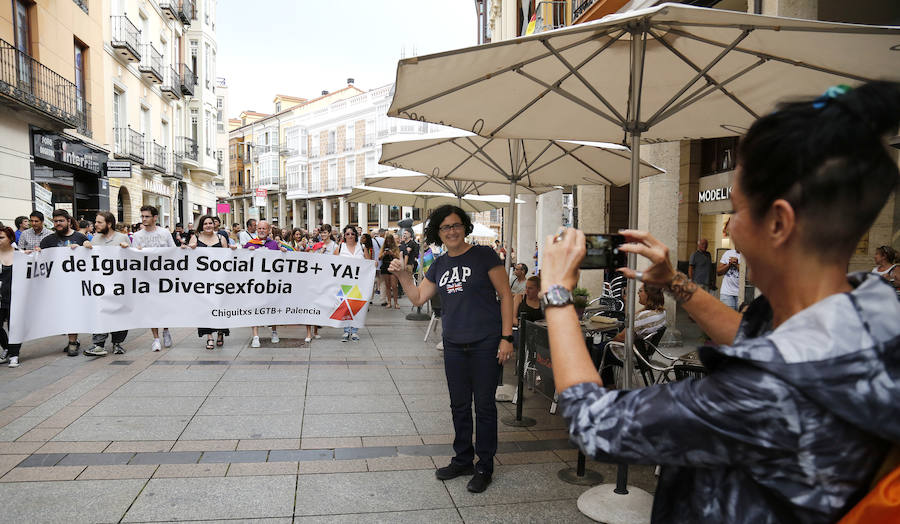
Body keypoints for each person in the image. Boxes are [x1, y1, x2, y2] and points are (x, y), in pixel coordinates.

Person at [540, 82, 900, 523]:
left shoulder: (768, 392)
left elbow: (593, 423)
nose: (730, 224)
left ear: (779, 222)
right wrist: (673, 281)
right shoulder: (875, 319)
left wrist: (556, 292)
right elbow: (756, 340)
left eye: (736, 209)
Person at [389, 204, 514, 493]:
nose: (452, 231)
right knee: (458, 405)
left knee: (483, 406)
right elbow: (419, 298)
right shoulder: (440, 264)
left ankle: (484, 465)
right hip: (454, 344)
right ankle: (462, 459)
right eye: (445, 227)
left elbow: (506, 295)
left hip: (486, 342)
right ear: (439, 233)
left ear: (465, 227)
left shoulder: (484, 255)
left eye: (456, 225)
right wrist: (404, 276)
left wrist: (507, 337)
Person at [37, 209, 89, 356]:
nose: (58, 224)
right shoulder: (48, 240)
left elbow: (91, 256)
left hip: (75, 284)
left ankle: (73, 342)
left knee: (72, 311)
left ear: (68, 221)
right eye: (55, 221)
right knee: (62, 313)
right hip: (56, 285)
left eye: (61, 221)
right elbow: (40, 259)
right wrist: (35, 253)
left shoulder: (80, 237)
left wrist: (83, 248)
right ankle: (73, 339)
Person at [83, 212, 131, 356]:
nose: (95, 225)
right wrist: (84, 246)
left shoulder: (122, 238)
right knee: (99, 312)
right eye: (96, 222)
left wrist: (126, 248)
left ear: (109, 224)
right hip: (100, 285)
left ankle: (118, 343)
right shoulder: (95, 238)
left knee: (119, 313)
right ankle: (98, 344)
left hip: (118, 284)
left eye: (99, 222)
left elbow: (132, 259)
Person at [187, 215, 238, 349]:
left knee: (220, 307)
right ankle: (209, 336)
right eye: (205, 224)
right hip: (203, 282)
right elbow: (187, 257)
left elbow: (227, 258)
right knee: (205, 308)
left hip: (219, 281)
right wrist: (189, 248)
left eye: (210, 223)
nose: (208, 225)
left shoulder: (221, 238)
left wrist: (232, 251)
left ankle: (220, 333)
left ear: (214, 225)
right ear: (201, 226)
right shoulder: (195, 238)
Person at [131, 205, 176, 351]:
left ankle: (166, 330)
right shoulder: (137, 236)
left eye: (147, 216)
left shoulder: (165, 233)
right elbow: (133, 257)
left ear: (155, 218)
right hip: (147, 278)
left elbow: (174, 251)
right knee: (151, 308)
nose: (144, 219)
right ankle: (155, 338)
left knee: (165, 306)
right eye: (142, 216)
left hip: (164, 276)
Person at [243, 220, 286, 347]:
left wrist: (283, 253)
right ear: (257, 230)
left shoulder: (274, 244)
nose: (261, 231)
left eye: (264, 229)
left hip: (271, 283)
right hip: (255, 283)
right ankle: (255, 335)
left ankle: (274, 331)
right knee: (254, 308)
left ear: (269, 231)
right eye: (259, 228)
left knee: (272, 307)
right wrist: (246, 253)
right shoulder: (250, 244)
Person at [338, 225, 367, 342]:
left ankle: (354, 331)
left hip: (358, 281)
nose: (350, 236)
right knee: (345, 306)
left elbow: (368, 262)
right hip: (344, 281)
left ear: (356, 235)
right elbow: (333, 263)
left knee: (356, 306)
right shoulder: (340, 247)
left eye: (352, 234)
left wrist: (373, 264)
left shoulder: (362, 247)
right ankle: (346, 331)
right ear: (344, 236)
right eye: (347, 234)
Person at [0, 227, 21, 367]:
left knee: (14, 326)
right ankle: (7, 347)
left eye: (1, 237)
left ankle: (14, 354)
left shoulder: (20, 255)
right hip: (1, 298)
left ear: (10, 238)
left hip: (16, 298)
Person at [716, 243, 742, 310]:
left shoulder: (748, 255)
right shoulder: (728, 253)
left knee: (740, 318)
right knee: (728, 318)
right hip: (727, 293)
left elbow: (748, 275)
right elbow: (718, 272)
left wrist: (737, 265)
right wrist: (729, 265)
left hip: (741, 294)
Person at [379, 233, 401, 309]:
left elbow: (398, 257)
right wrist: (384, 254)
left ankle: (396, 302)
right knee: (387, 286)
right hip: (385, 266)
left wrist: (392, 253)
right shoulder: (383, 248)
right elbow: (379, 258)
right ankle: (389, 302)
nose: (388, 242)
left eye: (390, 240)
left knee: (394, 286)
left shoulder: (396, 247)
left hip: (393, 266)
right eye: (387, 240)